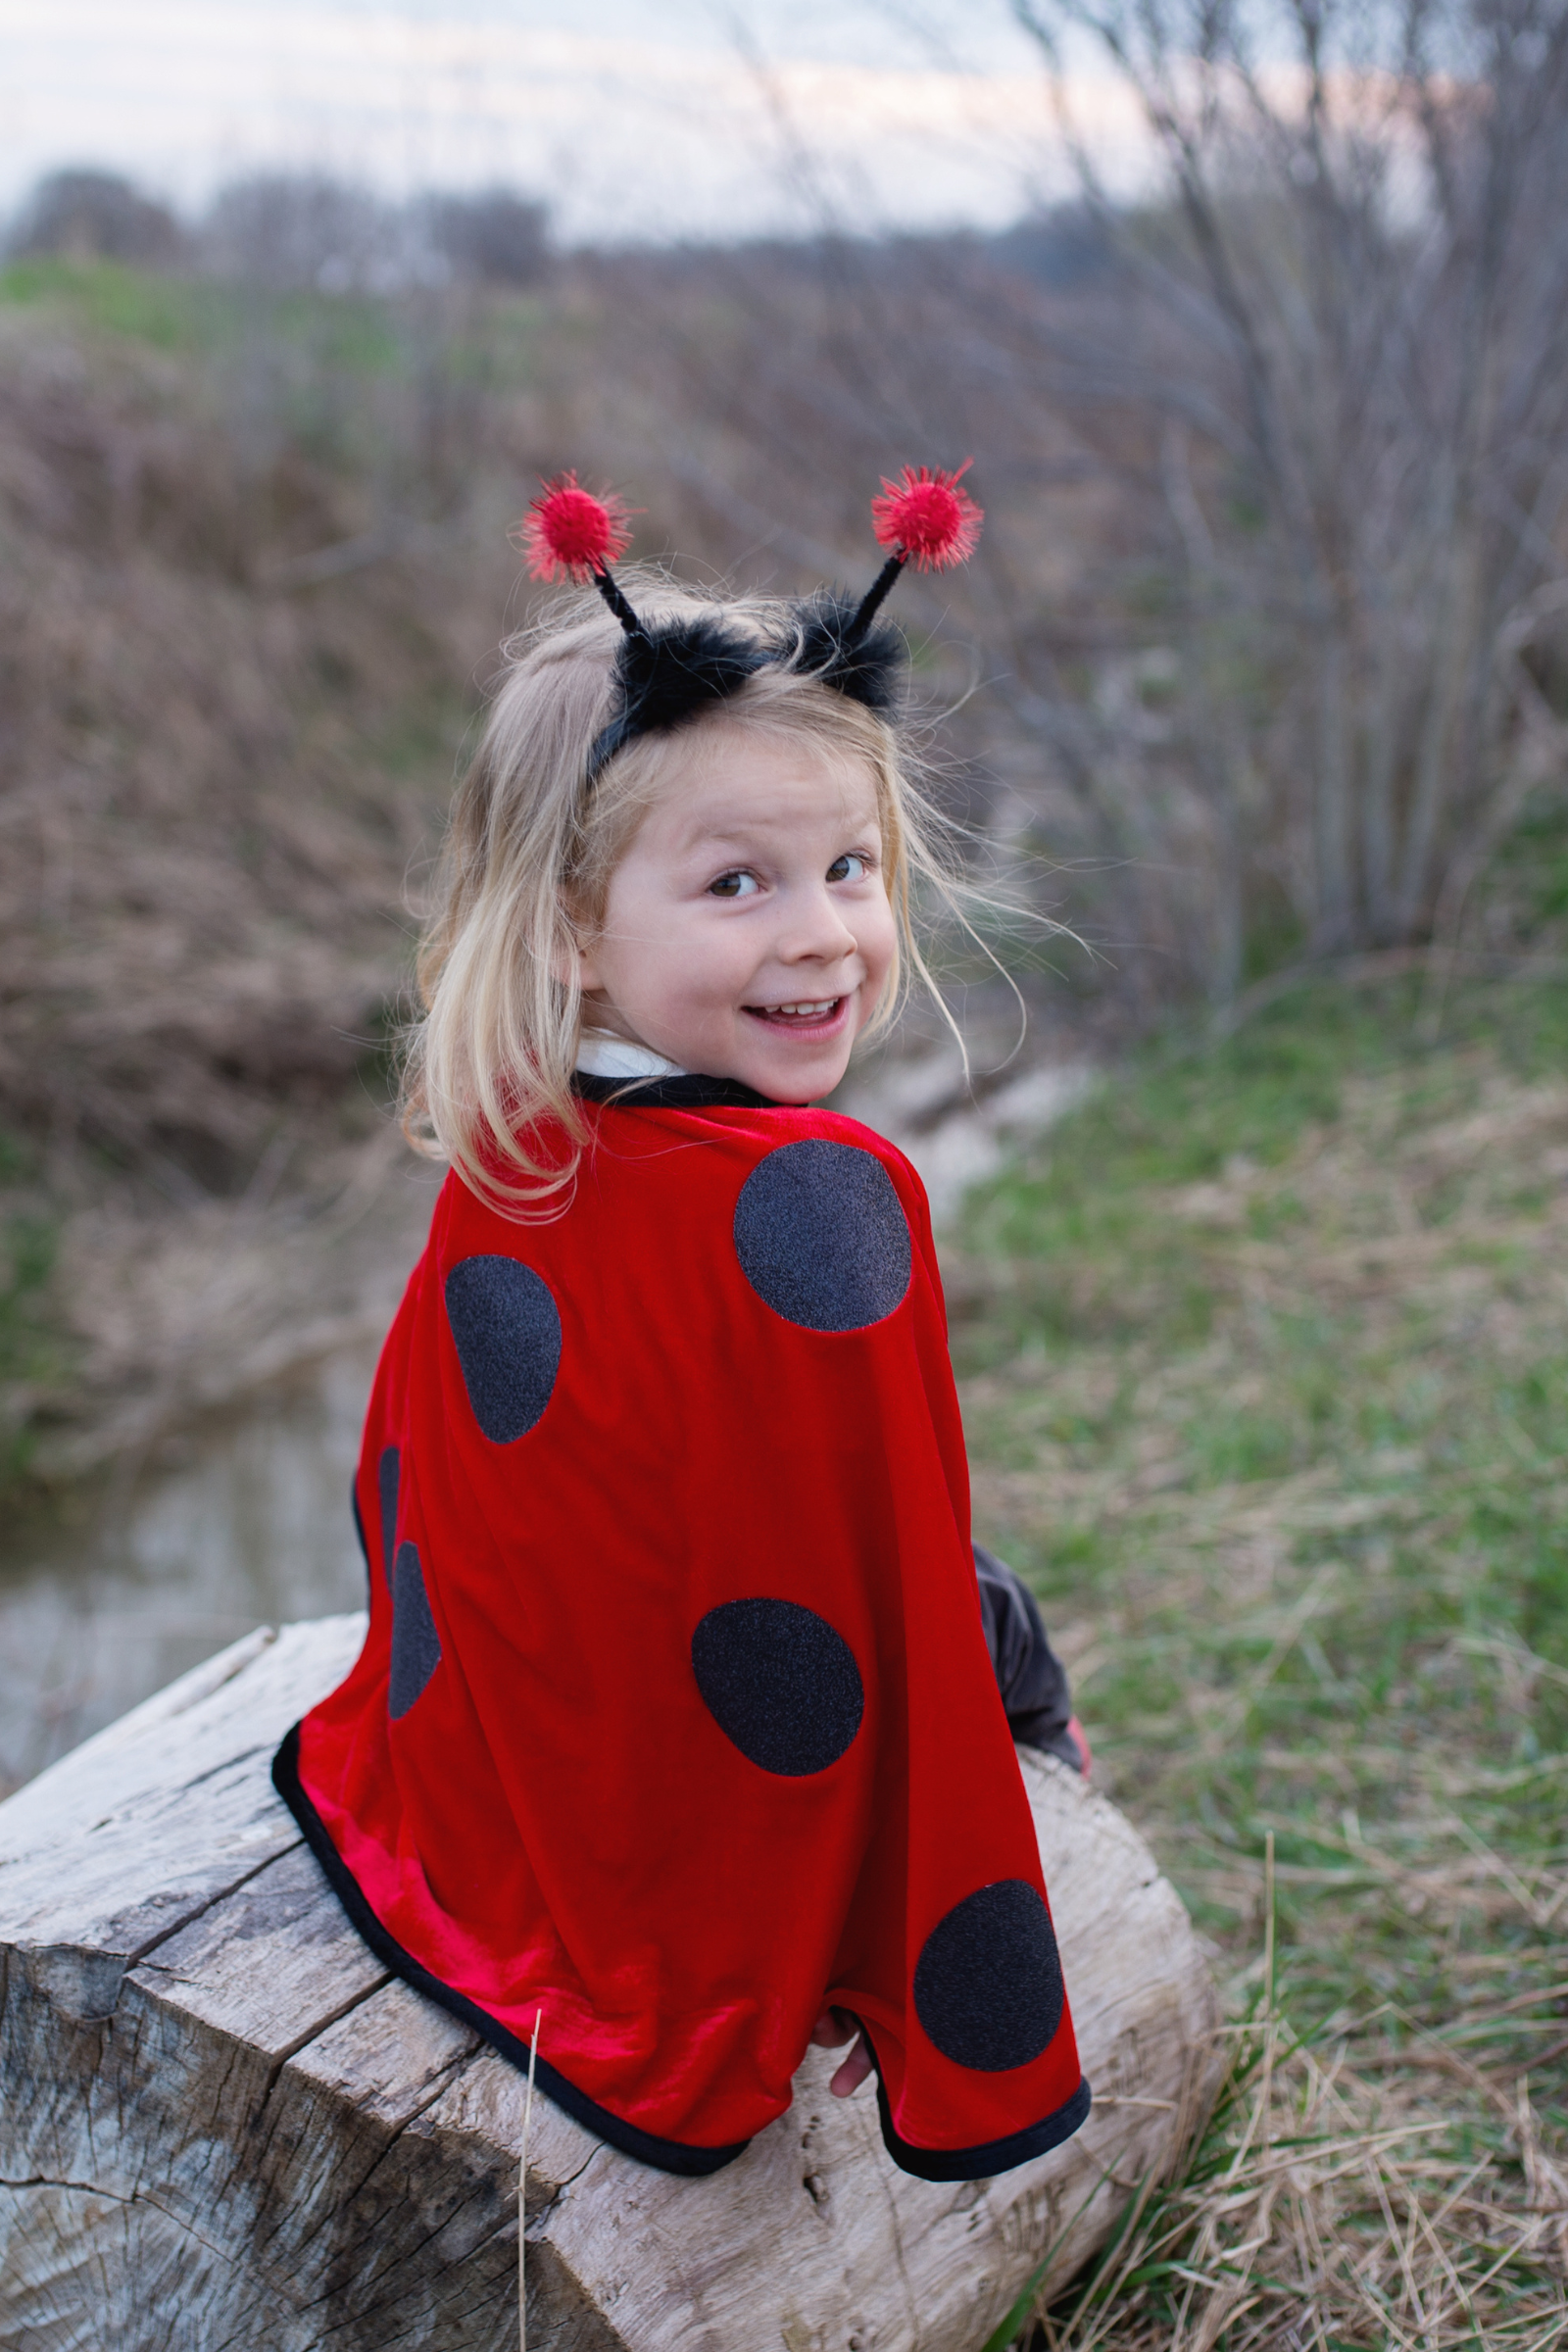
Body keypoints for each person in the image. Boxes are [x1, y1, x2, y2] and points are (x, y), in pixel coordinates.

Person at [272, 466, 1091, 2183]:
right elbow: (896, 1586)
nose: (822, 937)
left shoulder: (516, 1144)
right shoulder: (819, 1199)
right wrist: (1030, 1684)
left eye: (849, 866)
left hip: (484, 1813)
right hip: (677, 1923)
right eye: (738, 886)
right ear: (574, 922)